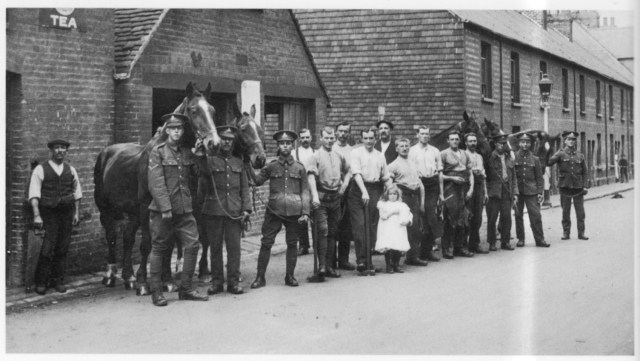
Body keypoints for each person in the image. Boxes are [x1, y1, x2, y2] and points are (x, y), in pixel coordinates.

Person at [147, 113, 208, 306]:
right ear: (166, 130)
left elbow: (197, 175)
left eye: (179, 128)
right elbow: (156, 183)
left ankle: (186, 288)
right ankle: (156, 292)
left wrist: (199, 156)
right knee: (159, 248)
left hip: (184, 210)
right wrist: (165, 208)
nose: (176, 131)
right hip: (163, 211)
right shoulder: (158, 152)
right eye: (172, 128)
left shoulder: (186, 152)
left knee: (192, 245)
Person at [250, 130, 311, 288]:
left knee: (292, 243)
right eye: (282, 143)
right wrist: (246, 165)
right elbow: (256, 181)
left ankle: (290, 276)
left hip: (294, 212)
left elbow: (305, 191)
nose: (285, 146)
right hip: (274, 211)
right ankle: (260, 277)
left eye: (288, 143)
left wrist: (305, 212)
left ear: (292, 145)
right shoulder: (271, 166)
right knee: (266, 242)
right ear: (278, 145)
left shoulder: (300, 168)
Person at [199, 126, 251, 296]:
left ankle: (234, 283)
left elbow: (244, 188)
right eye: (224, 139)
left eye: (230, 139)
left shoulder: (238, 162)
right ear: (218, 140)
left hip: (234, 212)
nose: (227, 142)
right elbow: (199, 172)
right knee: (215, 249)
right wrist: (200, 154)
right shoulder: (209, 161)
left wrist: (246, 209)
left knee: (234, 249)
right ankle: (216, 282)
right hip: (214, 211)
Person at [28, 139, 82, 295]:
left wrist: (76, 213)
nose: (60, 151)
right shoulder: (41, 169)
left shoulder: (70, 170)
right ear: (51, 151)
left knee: (62, 248)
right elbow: (34, 194)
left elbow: (76, 193)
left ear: (66, 151)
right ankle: (41, 282)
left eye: (63, 148)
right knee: (47, 249)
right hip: (49, 213)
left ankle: (57, 280)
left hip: (66, 213)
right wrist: (37, 215)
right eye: (57, 148)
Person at [306, 127, 350, 278]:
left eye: (332, 138)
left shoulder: (339, 155)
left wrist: (344, 185)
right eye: (326, 138)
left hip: (335, 200)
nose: (330, 140)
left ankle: (330, 266)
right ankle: (322, 266)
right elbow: (311, 177)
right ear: (321, 138)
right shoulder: (315, 156)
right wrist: (315, 197)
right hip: (321, 201)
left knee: (333, 232)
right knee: (322, 231)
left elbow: (349, 170)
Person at [349, 127, 393, 274]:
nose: (368, 141)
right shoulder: (355, 153)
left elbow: (385, 176)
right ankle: (361, 261)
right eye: (365, 138)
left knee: (372, 227)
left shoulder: (380, 155)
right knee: (360, 226)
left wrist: (393, 191)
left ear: (376, 139)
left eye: (371, 138)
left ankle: (369, 262)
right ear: (362, 139)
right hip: (358, 190)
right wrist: (363, 192)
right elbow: (356, 173)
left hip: (374, 190)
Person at [387, 137, 428, 266]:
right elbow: (389, 186)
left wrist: (421, 204)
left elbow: (420, 185)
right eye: (401, 146)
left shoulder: (413, 163)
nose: (404, 148)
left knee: (415, 228)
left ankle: (413, 256)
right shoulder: (393, 165)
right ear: (396, 149)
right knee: (401, 228)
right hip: (402, 198)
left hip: (414, 198)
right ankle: (395, 260)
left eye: (406, 146)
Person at [408, 126, 442, 262]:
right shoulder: (411, 151)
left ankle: (427, 251)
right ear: (417, 135)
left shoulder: (435, 151)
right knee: (418, 218)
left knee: (431, 217)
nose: (425, 136)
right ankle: (414, 253)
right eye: (422, 134)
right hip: (417, 184)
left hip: (432, 185)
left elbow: (440, 172)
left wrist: (441, 193)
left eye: (427, 134)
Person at [547, 131, 589, 240]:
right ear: (565, 141)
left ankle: (581, 233)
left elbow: (585, 171)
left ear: (575, 142)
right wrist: (547, 150)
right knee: (565, 212)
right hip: (564, 187)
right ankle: (566, 233)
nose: (571, 142)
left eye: (573, 140)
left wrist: (585, 186)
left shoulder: (580, 155)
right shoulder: (560, 153)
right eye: (569, 139)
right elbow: (549, 162)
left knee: (580, 213)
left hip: (578, 188)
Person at [439, 131, 474, 259]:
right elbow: (439, 175)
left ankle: (460, 247)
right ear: (448, 141)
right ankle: (447, 248)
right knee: (449, 219)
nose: (454, 141)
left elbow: (470, 173)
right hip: (450, 187)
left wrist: (471, 189)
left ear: (460, 141)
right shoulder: (443, 154)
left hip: (463, 188)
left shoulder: (465, 154)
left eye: (456, 139)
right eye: (452, 139)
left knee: (464, 217)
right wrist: (451, 179)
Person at [514, 133, 550, 248]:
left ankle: (539, 239)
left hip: (532, 192)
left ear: (531, 144)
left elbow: (539, 178)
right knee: (518, 216)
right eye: (523, 142)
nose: (525, 145)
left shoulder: (535, 159)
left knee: (535, 216)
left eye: (527, 142)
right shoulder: (514, 157)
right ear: (519, 143)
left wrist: (540, 193)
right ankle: (521, 239)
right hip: (518, 192)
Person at [485, 134, 518, 251]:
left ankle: (506, 242)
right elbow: (485, 176)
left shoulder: (509, 158)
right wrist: (486, 192)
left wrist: (515, 193)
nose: (502, 146)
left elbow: (513, 178)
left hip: (506, 192)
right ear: (495, 144)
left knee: (506, 218)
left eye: (504, 144)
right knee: (492, 219)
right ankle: (492, 242)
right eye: (500, 143)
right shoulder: (490, 158)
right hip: (493, 192)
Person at [332, 121, 356, 271]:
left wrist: (345, 184)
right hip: (332, 190)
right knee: (332, 226)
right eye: (340, 131)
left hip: (348, 190)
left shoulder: (352, 151)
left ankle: (343, 260)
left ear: (349, 133)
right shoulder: (330, 147)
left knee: (346, 227)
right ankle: (330, 260)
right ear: (336, 133)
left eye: (345, 131)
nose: (342, 134)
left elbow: (352, 170)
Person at [375, 185, 412, 273]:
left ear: (398, 195)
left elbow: (409, 214)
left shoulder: (402, 205)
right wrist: (393, 212)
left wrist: (408, 221)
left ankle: (396, 264)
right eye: (390, 194)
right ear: (387, 195)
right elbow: (383, 216)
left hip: (398, 228)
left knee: (398, 245)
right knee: (388, 246)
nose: (392, 196)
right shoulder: (383, 204)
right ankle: (389, 265)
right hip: (387, 229)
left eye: (395, 194)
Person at [463, 132, 489, 254]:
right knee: (467, 215)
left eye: (474, 141)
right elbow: (464, 171)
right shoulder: (463, 155)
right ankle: (463, 245)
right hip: (467, 187)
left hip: (479, 187)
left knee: (478, 217)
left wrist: (486, 193)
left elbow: (483, 175)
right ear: (466, 143)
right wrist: (475, 170)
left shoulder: (479, 157)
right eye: (470, 141)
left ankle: (475, 243)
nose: (473, 143)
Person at [293, 128, 315, 256]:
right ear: (299, 139)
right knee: (300, 216)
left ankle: (316, 243)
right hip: (300, 188)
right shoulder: (294, 153)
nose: (305, 140)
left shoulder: (316, 152)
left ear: (311, 138)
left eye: (307, 137)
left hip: (313, 188)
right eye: (303, 137)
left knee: (314, 214)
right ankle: (303, 245)